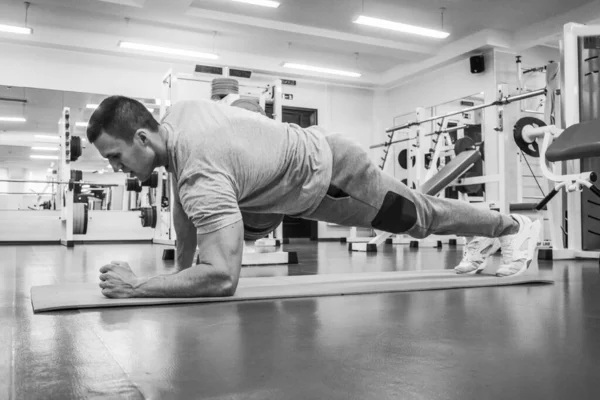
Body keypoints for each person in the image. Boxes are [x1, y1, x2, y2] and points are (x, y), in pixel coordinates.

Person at [87, 96, 541, 299]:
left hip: (337, 178)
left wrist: (139, 288)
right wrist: (180, 278)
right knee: (229, 218)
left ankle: (511, 227)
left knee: (421, 217)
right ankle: (486, 236)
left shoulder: (199, 170)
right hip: (295, 183)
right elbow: (186, 210)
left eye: (115, 156)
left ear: (143, 138)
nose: (115, 169)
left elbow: (223, 279)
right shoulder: (179, 117)